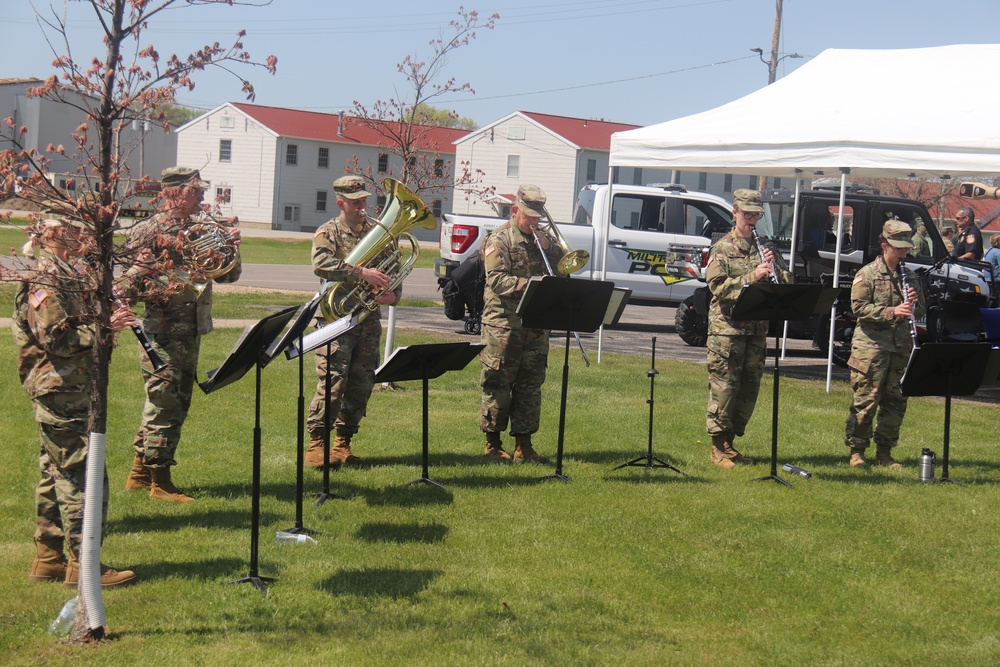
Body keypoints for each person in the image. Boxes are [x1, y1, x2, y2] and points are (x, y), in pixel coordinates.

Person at [13, 217, 137, 587]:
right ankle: (83, 565)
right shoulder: (46, 279)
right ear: (51, 234)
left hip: (72, 387)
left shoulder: (70, 273)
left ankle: (49, 559)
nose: (86, 234)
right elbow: (58, 340)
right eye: (75, 228)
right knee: (81, 472)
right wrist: (106, 327)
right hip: (60, 390)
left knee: (54, 472)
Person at [120, 167, 242, 502]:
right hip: (162, 332)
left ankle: (140, 472)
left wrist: (232, 249)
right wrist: (172, 275)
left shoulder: (202, 228)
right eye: (195, 191)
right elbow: (128, 287)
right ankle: (160, 481)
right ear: (174, 193)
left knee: (179, 403)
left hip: (192, 330)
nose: (203, 196)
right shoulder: (147, 230)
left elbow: (229, 277)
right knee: (164, 405)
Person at [305, 174, 400, 467]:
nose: (361, 206)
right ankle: (317, 443)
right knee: (333, 381)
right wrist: (361, 273)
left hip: (367, 318)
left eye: (363, 201)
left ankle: (343, 443)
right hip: (335, 318)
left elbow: (394, 272)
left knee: (362, 383)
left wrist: (391, 295)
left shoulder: (378, 232)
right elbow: (321, 265)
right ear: (340, 202)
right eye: (355, 201)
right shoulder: (327, 232)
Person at [705, 189, 793, 469]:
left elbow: (787, 284)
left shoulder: (764, 246)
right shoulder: (723, 248)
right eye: (747, 214)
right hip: (727, 330)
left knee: (748, 388)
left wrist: (776, 269)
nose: (752, 219)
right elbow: (717, 287)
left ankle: (730, 442)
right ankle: (717, 446)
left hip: (756, 329)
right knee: (725, 387)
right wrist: (750, 277)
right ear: (735, 212)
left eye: (757, 214)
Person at [478, 184, 564, 463]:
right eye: (529, 217)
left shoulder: (543, 238)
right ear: (515, 211)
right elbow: (497, 280)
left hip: (535, 325)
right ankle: (493, 444)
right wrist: (534, 285)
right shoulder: (498, 239)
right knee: (498, 384)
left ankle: (524, 446)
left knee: (530, 387)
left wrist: (552, 247)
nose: (534, 223)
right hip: (503, 325)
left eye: (538, 218)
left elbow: (567, 265)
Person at [844, 221, 926, 468]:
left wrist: (913, 305)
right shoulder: (867, 274)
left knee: (896, 402)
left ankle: (885, 452)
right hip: (872, 348)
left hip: (900, 348)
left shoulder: (909, 276)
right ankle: (857, 451)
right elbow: (858, 308)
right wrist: (891, 311)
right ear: (884, 245)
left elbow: (921, 309)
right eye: (898, 248)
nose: (902, 253)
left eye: (905, 249)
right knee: (866, 401)